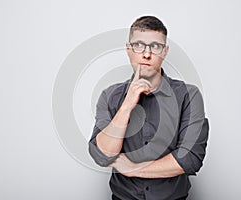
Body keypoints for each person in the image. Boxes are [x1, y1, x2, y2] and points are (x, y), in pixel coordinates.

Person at [89, 16, 209, 200]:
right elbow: (102, 155)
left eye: (155, 46)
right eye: (138, 45)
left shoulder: (188, 96)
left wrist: (134, 169)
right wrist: (127, 105)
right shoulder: (110, 96)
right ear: (128, 50)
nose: (146, 54)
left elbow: (190, 159)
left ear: (165, 51)